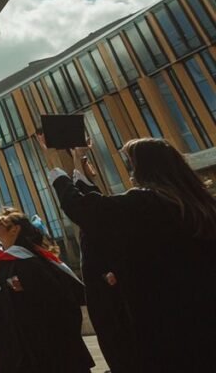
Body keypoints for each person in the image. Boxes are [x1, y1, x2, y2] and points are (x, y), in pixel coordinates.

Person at [47, 137, 216, 371]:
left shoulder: (144, 203)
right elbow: (107, 215)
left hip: (164, 323)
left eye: (131, 165)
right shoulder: (198, 204)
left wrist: (58, 174)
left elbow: (89, 212)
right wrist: (77, 161)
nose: (130, 173)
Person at [0, 209, 93, 373]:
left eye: (5, 219)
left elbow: (62, 301)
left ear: (15, 229)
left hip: (47, 351)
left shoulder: (33, 263)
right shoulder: (2, 263)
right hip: (20, 349)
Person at [66, 146, 139, 373]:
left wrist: (78, 160)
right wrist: (77, 156)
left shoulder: (101, 220)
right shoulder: (99, 219)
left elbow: (85, 197)